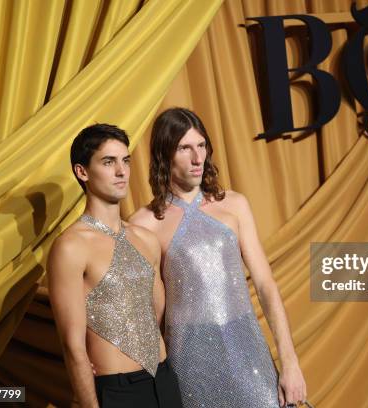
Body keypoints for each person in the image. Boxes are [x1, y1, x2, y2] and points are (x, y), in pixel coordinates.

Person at [129, 108, 307, 407]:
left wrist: (290, 363)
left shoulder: (234, 205)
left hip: (246, 348)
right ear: (164, 154)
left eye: (201, 145)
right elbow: (144, 313)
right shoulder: (144, 223)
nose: (198, 158)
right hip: (189, 361)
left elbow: (265, 284)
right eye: (185, 148)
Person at [47, 124, 183, 408]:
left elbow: (158, 318)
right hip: (119, 391)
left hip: (165, 380)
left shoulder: (146, 239)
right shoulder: (71, 246)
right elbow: (72, 347)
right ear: (82, 172)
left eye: (125, 161)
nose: (122, 172)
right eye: (108, 162)